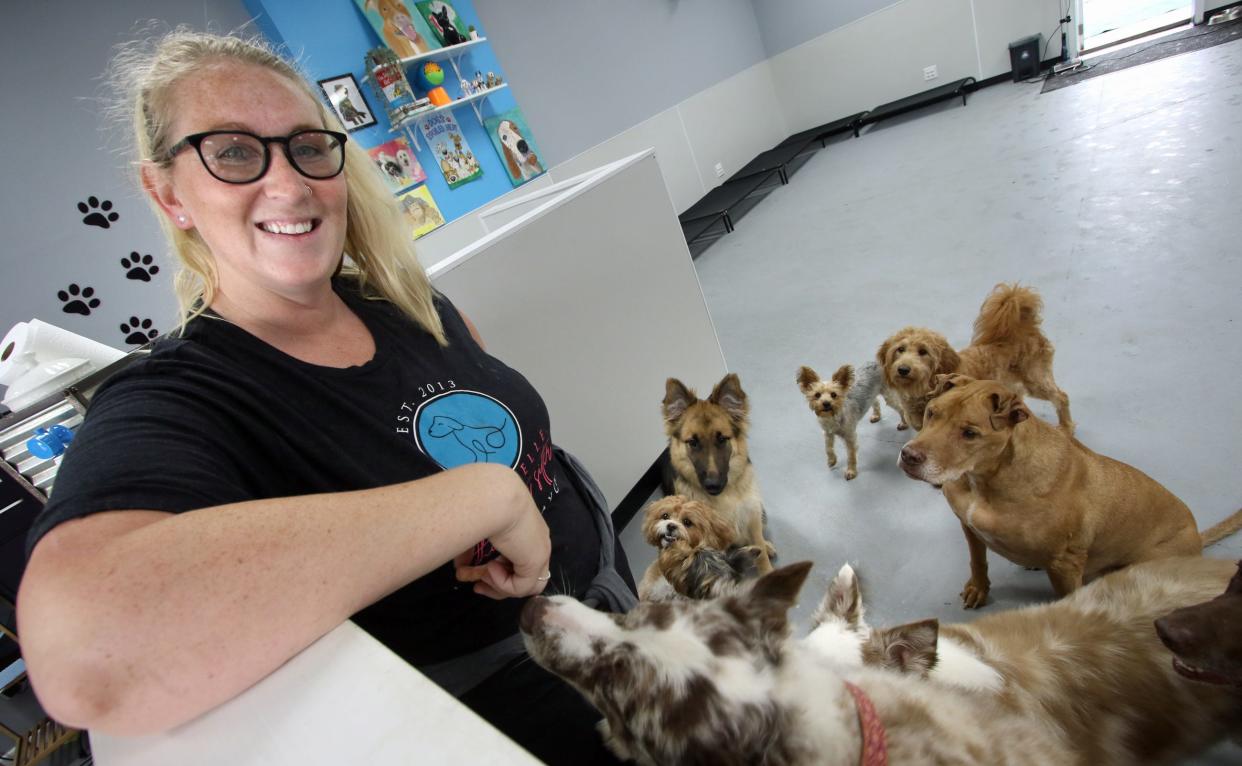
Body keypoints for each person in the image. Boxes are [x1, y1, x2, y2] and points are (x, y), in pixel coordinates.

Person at [16, 29, 634, 764]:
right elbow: (89, 652)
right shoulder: (185, 394)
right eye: (235, 152)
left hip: (603, 608)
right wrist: (486, 498)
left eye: (308, 146)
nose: (290, 184)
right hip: (509, 704)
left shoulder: (402, 299)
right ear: (166, 192)